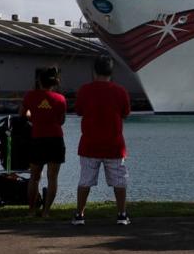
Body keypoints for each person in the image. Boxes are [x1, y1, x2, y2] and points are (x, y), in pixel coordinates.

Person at [72, 55, 131, 226]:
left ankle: (79, 215)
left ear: (94, 71)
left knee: (85, 181)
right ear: (111, 71)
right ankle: (121, 214)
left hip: (90, 144)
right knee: (119, 182)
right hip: (114, 145)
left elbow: (78, 111)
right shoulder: (120, 91)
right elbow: (126, 113)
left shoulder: (85, 90)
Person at [20, 67, 67, 217]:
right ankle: (46, 211)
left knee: (34, 177)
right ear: (54, 83)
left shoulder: (30, 96)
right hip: (55, 139)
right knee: (52, 178)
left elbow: (22, 114)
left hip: (38, 138)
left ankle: (31, 210)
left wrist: (31, 116)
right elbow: (61, 120)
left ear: (39, 81)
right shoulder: (60, 99)